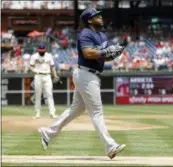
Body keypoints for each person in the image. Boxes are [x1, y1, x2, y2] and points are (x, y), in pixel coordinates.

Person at [38, 8, 127, 159]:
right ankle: (110, 146)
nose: (100, 17)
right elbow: (88, 53)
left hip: (90, 74)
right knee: (97, 112)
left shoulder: (102, 35)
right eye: (96, 16)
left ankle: (48, 132)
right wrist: (106, 52)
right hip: (86, 74)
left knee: (76, 110)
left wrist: (114, 53)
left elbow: (104, 57)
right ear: (90, 20)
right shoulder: (85, 33)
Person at [30, 42, 59, 119]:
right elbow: (31, 67)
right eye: (40, 50)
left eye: (43, 50)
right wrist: (35, 71)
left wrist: (55, 75)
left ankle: (52, 113)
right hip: (38, 76)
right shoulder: (34, 56)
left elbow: (52, 67)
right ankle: (37, 113)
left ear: (45, 50)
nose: (41, 52)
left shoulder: (49, 56)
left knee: (49, 94)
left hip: (47, 76)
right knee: (38, 95)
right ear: (38, 50)